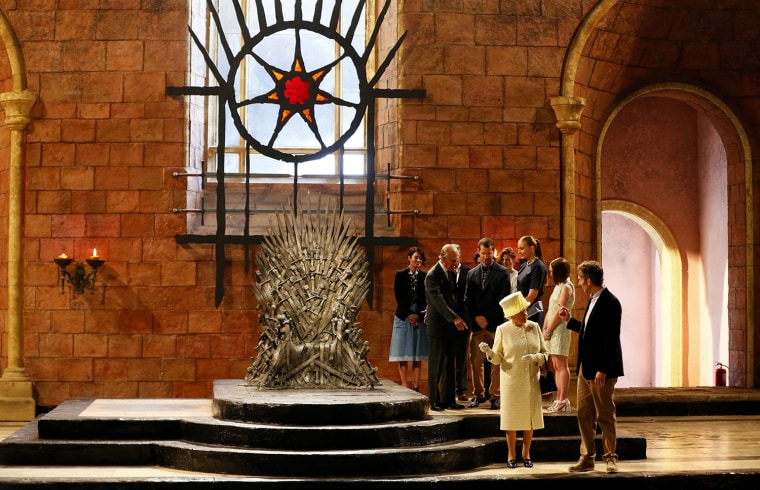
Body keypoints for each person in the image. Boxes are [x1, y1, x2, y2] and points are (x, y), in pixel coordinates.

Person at [558, 260, 623, 474]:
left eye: (580, 279)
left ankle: (610, 457)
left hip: (601, 370)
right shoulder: (592, 299)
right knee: (584, 414)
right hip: (586, 368)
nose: (579, 283)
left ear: (588, 280)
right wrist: (570, 321)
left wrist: (603, 369)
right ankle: (587, 457)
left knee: (605, 413)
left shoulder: (611, 302)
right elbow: (589, 332)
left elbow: (611, 339)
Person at [479, 292, 548, 469]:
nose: (526, 314)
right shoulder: (503, 329)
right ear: (511, 314)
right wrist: (488, 352)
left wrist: (536, 357)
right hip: (511, 381)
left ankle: (526, 453)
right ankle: (511, 454)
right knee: (511, 419)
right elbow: (497, 358)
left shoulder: (534, 327)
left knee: (529, 418)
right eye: (522, 311)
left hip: (531, 380)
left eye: (525, 310)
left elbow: (545, 353)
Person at [465, 238, 510, 410]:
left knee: (495, 361)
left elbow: (503, 298)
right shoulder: (471, 273)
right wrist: (476, 317)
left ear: (494, 252)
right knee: (476, 362)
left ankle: (495, 395)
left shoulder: (502, 272)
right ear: (478, 252)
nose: (486, 257)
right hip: (477, 326)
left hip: (495, 325)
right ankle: (478, 394)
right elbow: (467, 299)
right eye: (483, 253)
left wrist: (488, 319)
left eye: (489, 253)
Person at [425, 244, 469, 411]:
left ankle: (448, 399)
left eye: (457, 259)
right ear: (442, 258)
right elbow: (438, 302)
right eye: (453, 259)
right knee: (436, 364)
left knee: (450, 364)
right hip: (438, 327)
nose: (456, 262)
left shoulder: (452, 272)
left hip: (451, 328)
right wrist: (454, 318)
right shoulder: (433, 275)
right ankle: (434, 400)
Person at [389, 247, 428, 391]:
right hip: (403, 316)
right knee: (403, 352)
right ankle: (404, 385)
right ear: (409, 258)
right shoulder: (400, 275)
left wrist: (418, 314)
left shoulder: (425, 277)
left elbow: (426, 298)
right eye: (416, 257)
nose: (418, 260)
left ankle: (416, 385)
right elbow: (399, 297)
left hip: (419, 316)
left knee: (417, 354)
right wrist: (409, 315)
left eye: (420, 258)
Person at [542, 257, 575, 412]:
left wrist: (550, 329)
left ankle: (563, 399)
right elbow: (550, 309)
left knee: (561, 364)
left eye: (551, 270)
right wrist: (544, 328)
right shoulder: (558, 286)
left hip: (560, 328)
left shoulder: (567, 287)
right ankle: (558, 398)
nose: (549, 273)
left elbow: (560, 311)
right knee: (555, 364)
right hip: (551, 328)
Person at [453, 245, 472, 403]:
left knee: (461, 357)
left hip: (464, 320)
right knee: (446, 357)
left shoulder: (468, 272)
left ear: (459, 256)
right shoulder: (443, 272)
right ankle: (446, 389)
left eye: (456, 256)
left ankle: (461, 390)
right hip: (447, 320)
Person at [517, 235, 548, 327]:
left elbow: (532, 296)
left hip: (532, 312)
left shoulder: (538, 266)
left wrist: (518, 310)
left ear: (532, 248)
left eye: (522, 248)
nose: (519, 252)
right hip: (523, 310)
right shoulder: (523, 265)